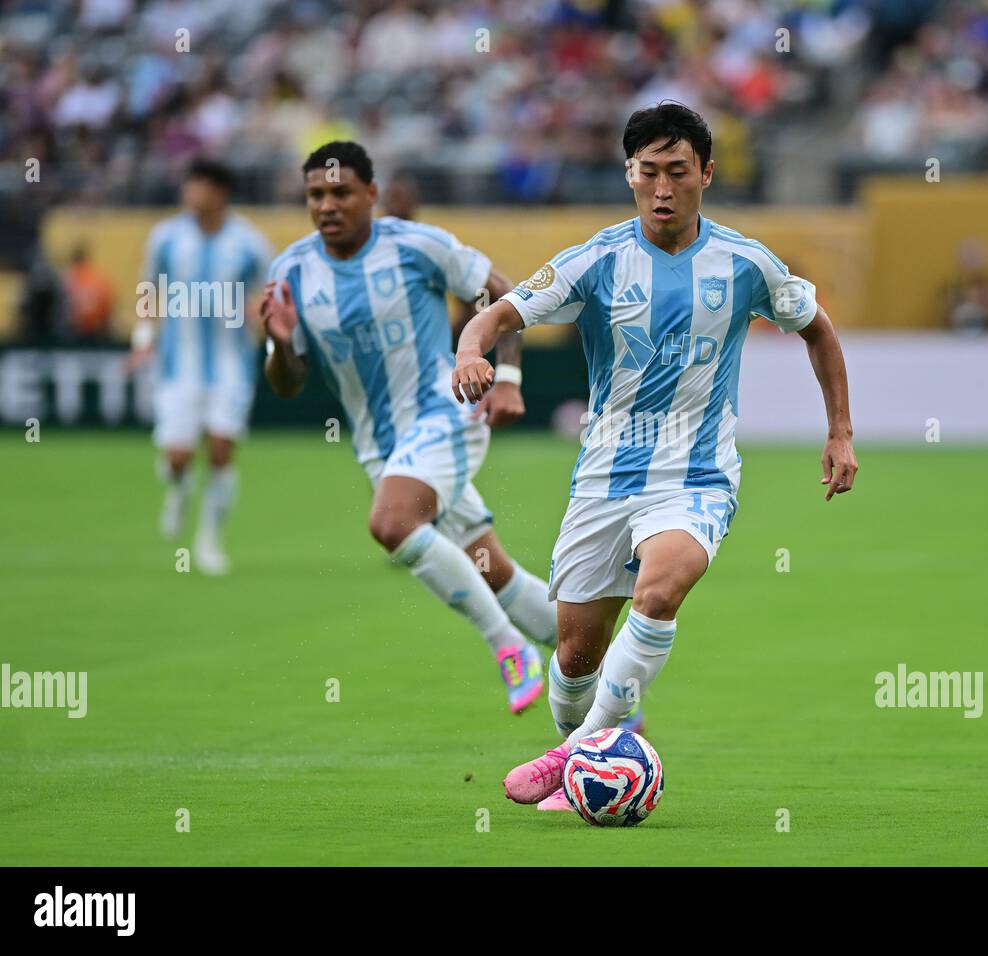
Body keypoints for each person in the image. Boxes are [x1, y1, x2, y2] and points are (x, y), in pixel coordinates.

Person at [452, 103, 858, 812]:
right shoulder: (595, 259)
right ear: (629, 175)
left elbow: (817, 329)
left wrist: (841, 431)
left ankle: (572, 759)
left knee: (661, 591)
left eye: (678, 171)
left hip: (697, 474)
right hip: (605, 479)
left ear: (707, 173)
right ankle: (585, 742)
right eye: (649, 172)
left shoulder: (746, 263)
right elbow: (498, 314)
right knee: (575, 659)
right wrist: (468, 352)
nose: (663, 188)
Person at [259, 141, 557, 714]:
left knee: (392, 523)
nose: (327, 205)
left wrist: (509, 377)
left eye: (341, 192)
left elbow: (504, 296)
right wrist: (281, 341)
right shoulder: (291, 271)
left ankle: (510, 648)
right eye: (315, 195)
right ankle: (612, 684)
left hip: (447, 410)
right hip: (382, 448)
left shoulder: (418, 245)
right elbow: (287, 384)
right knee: (493, 572)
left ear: (371, 193)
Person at [128, 158, 272, 574]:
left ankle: (209, 541)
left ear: (219, 192)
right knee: (178, 457)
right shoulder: (166, 237)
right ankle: (178, 488)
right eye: (188, 186)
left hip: (231, 364)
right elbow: (148, 289)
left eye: (199, 186)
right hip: (179, 365)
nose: (190, 194)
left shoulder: (249, 242)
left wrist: (262, 316)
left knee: (222, 450)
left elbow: (273, 291)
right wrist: (143, 340)